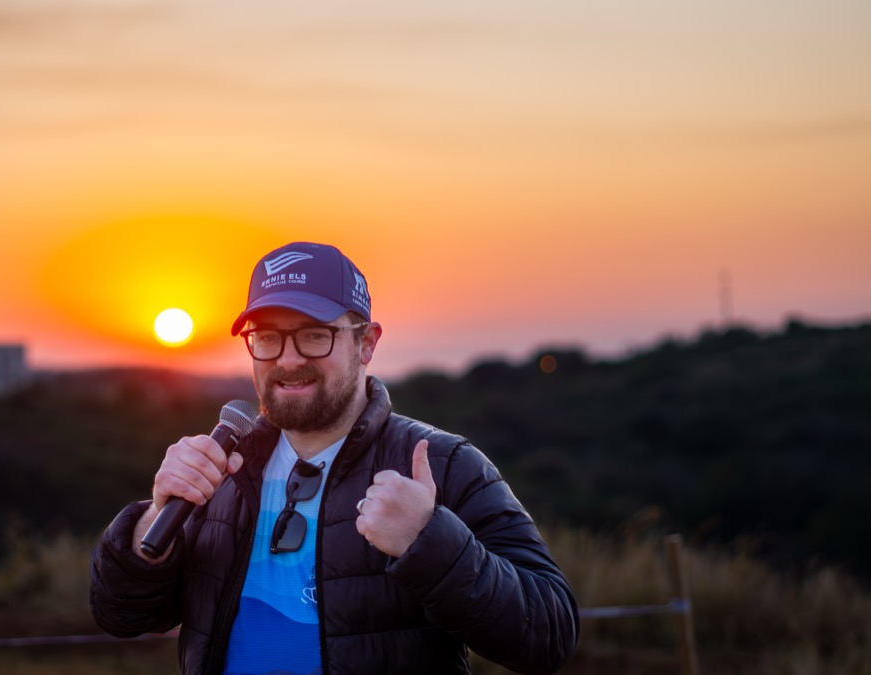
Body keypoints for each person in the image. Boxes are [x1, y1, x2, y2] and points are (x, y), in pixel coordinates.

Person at [90, 242, 579, 675]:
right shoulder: (220, 469)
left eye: (315, 334)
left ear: (366, 342)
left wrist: (428, 541)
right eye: (267, 336)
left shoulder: (440, 464)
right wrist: (153, 518)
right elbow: (120, 615)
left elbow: (550, 637)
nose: (287, 359)